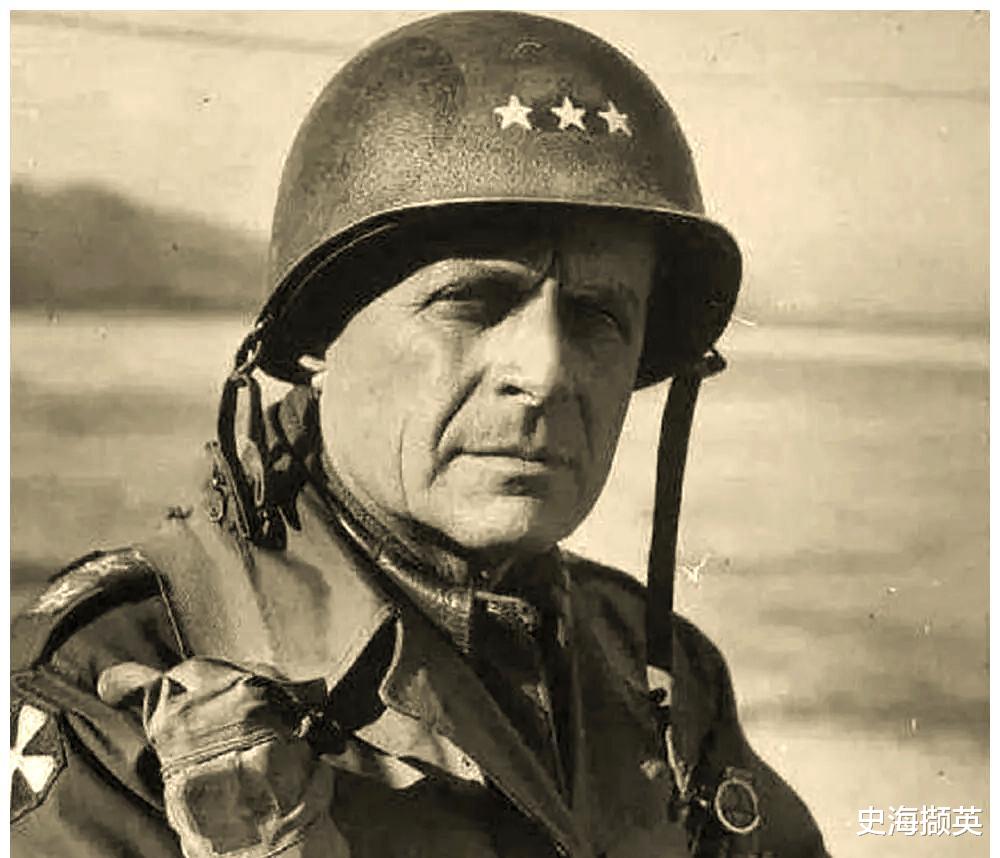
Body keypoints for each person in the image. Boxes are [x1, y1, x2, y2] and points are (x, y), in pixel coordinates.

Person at [10, 12, 827, 858]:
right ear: (319, 335)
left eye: (598, 317)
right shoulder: (110, 694)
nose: (546, 372)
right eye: (470, 302)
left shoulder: (661, 677)